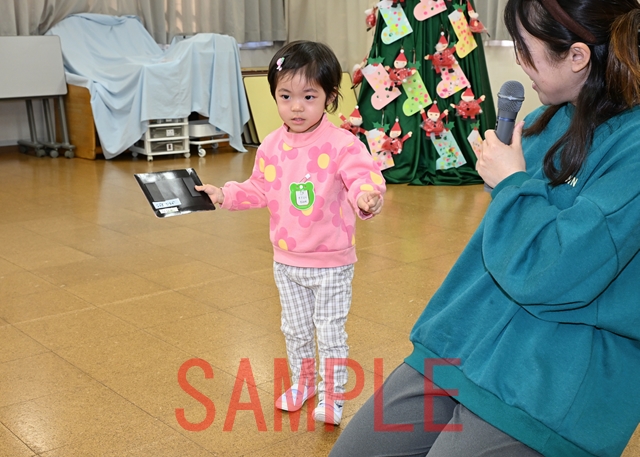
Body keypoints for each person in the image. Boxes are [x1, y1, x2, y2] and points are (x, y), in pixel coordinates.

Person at [330, 0, 640, 455]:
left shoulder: (632, 147)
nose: (519, 62)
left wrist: (512, 184)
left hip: (554, 372)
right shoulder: (544, 122)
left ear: (577, 56)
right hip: (467, 338)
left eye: (524, 48)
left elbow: (555, 269)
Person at [195, 40, 386, 426]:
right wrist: (224, 194)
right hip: (286, 262)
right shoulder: (271, 145)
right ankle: (305, 383)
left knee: (330, 333)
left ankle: (332, 395)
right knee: (295, 330)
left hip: (331, 262)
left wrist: (368, 197)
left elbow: (363, 179)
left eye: (308, 96)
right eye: (285, 96)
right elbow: (258, 188)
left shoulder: (342, 145)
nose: (296, 107)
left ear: (330, 97)